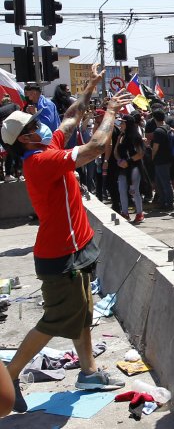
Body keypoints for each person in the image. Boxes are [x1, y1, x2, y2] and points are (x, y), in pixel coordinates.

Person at [0, 64, 131, 413]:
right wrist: (112, 113)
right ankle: (10, 374)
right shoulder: (40, 161)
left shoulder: (46, 145)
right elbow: (96, 145)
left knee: (84, 312)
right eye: (31, 125)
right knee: (58, 319)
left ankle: (88, 372)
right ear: (25, 138)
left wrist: (89, 89)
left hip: (79, 247)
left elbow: (70, 118)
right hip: (60, 256)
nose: (38, 123)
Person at [113, 115, 145, 223]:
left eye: (122, 122)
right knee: (121, 190)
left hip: (134, 167)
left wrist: (128, 161)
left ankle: (140, 213)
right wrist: (119, 161)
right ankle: (125, 213)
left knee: (134, 191)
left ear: (128, 124)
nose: (120, 125)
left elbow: (140, 154)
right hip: (122, 168)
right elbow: (115, 151)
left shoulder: (136, 136)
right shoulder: (121, 136)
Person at [150, 110, 174, 211]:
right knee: (160, 182)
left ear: (155, 119)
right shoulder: (168, 128)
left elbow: (155, 148)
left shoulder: (158, 131)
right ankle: (163, 202)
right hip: (168, 158)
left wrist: (152, 157)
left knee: (164, 183)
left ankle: (169, 203)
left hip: (160, 160)